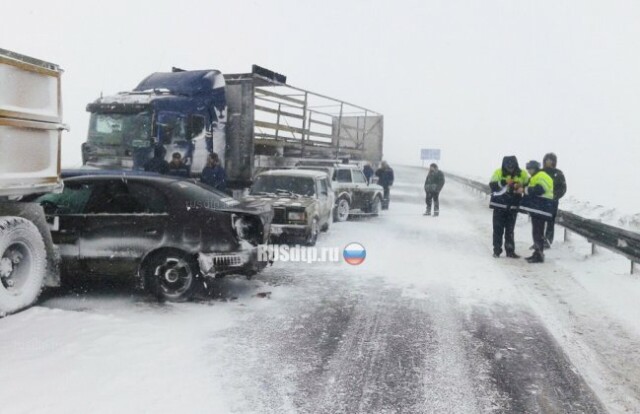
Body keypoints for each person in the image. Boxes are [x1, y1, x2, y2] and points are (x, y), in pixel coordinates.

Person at [489, 156, 529, 258]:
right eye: (508, 166)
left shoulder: (523, 174)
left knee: (510, 230)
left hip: (513, 206)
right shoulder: (498, 172)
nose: (510, 168)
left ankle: (510, 251)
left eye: (512, 166)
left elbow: (528, 185)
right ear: (504, 165)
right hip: (499, 205)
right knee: (498, 229)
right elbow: (492, 185)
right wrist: (504, 182)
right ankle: (497, 250)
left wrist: (521, 187)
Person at [517, 160, 554, 263]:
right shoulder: (536, 176)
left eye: (531, 169)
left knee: (538, 232)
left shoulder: (541, 175)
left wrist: (525, 190)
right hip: (539, 208)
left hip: (542, 208)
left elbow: (539, 189)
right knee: (537, 231)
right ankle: (537, 253)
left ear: (536, 168)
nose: (529, 171)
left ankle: (539, 255)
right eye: (528, 169)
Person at [542, 153, 567, 247]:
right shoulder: (540, 172)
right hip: (540, 202)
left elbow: (563, 188)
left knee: (550, 222)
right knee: (538, 223)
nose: (548, 162)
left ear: (554, 162)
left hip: (552, 202)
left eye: (550, 160)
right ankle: (538, 241)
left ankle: (548, 240)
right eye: (547, 160)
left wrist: (555, 196)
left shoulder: (559, 173)